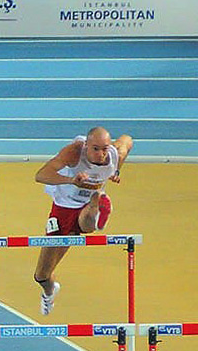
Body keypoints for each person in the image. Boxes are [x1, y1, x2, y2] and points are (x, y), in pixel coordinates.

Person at [33, 128, 133, 315]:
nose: (101, 154)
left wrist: (117, 170)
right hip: (63, 208)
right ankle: (49, 291)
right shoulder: (74, 152)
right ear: (86, 146)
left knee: (88, 221)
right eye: (95, 149)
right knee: (41, 275)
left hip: (86, 207)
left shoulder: (114, 155)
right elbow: (40, 175)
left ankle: (98, 206)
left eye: (104, 149)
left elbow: (127, 140)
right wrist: (71, 180)